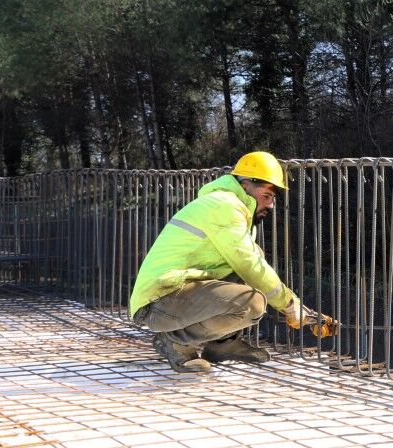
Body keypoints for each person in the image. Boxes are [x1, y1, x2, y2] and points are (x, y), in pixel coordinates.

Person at [130, 150, 336, 373]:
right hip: (157, 302)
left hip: (176, 293)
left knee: (254, 256)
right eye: (267, 195)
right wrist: (289, 305)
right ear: (246, 184)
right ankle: (174, 341)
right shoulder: (224, 206)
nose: (271, 204)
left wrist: (296, 307)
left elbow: (250, 262)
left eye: (274, 198)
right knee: (252, 302)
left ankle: (222, 345)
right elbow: (249, 265)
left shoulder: (232, 208)